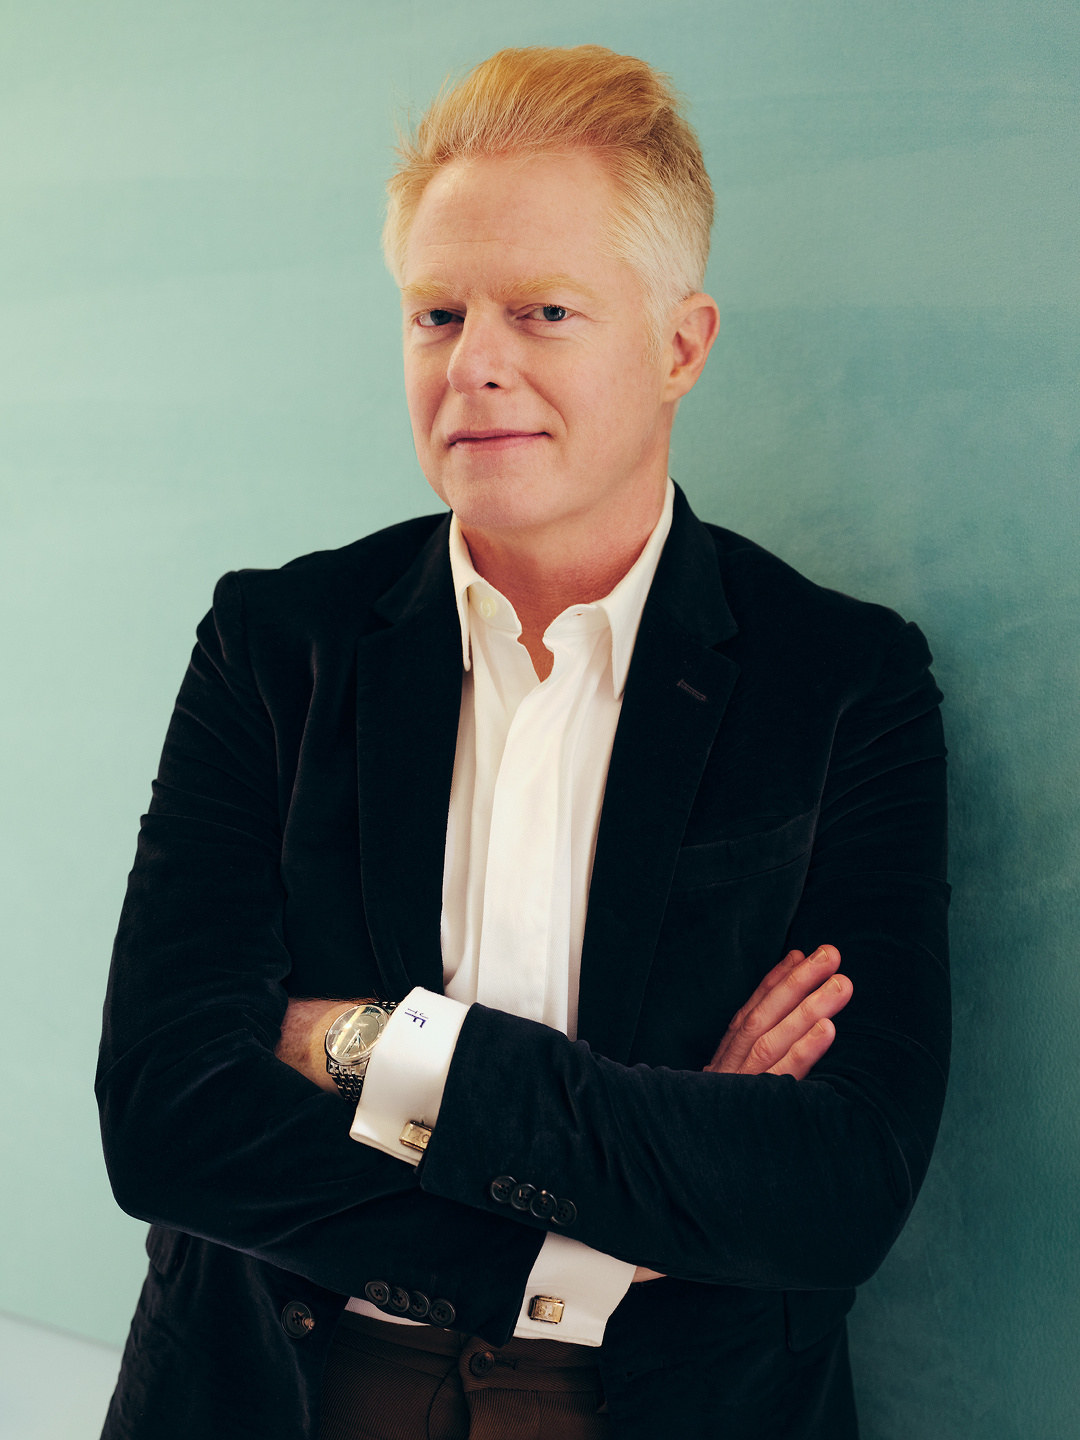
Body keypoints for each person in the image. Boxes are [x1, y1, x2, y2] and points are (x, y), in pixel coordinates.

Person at [96, 45, 949, 1440]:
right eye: (436, 314)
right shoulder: (275, 644)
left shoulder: (844, 682)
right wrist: (603, 1225)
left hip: (669, 1407)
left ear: (680, 346)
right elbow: (165, 1113)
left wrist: (370, 1047)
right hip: (279, 1389)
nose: (475, 363)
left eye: (544, 311)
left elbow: (840, 1182)